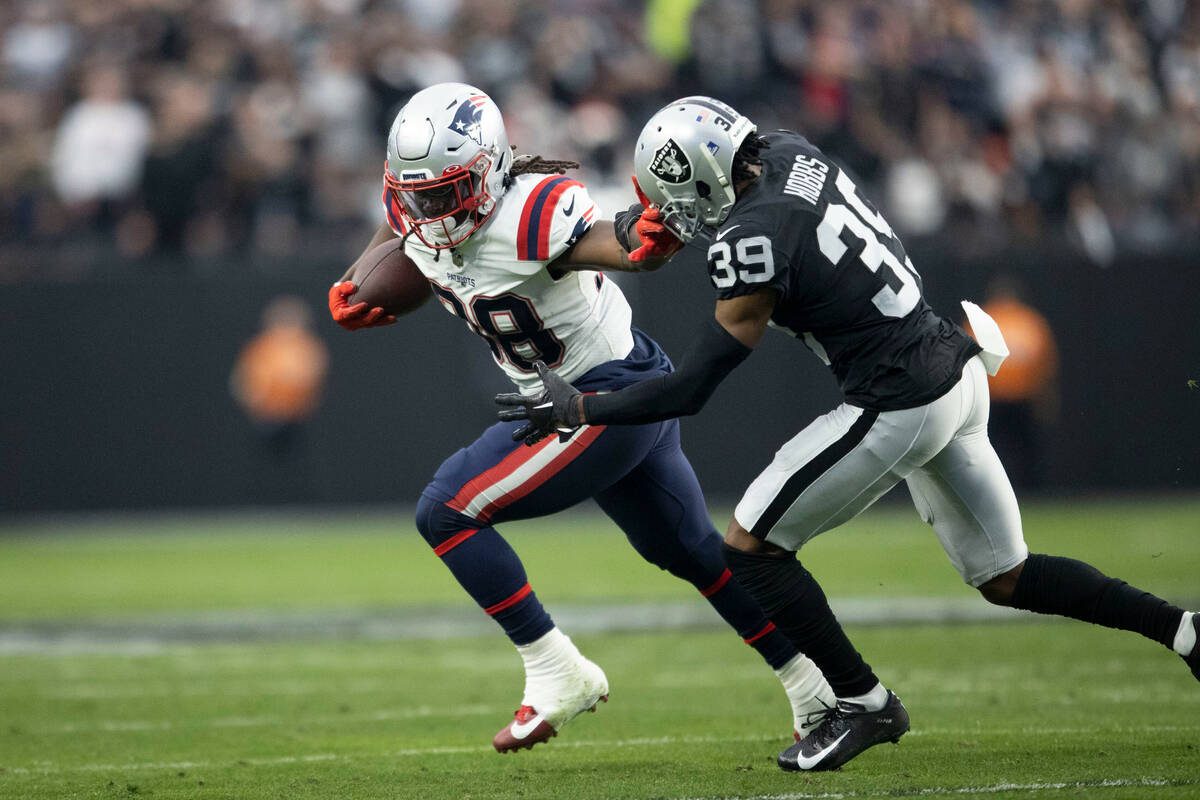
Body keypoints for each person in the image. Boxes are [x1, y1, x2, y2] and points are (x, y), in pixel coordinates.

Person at [498, 96, 1200, 771]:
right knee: (1007, 576)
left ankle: (863, 702)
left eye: (673, 198)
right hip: (955, 368)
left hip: (899, 399)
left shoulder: (750, 239)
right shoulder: (788, 152)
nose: (671, 216)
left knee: (748, 544)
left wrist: (580, 410)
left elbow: (693, 388)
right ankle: (1185, 631)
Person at [327, 83, 835, 754]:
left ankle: (555, 668)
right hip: (611, 383)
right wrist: (358, 274)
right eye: (416, 192)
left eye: (442, 194)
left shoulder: (528, 213)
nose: (427, 210)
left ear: (486, 172)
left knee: (446, 510)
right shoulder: (417, 202)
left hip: (597, 394)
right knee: (690, 552)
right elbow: (401, 223)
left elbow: (617, 244)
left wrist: (646, 235)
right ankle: (813, 686)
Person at [975, 275, 1059, 491]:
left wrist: (1044, 396)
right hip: (994, 399)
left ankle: (1031, 493)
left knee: (1025, 452)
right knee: (991, 451)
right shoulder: (987, 319)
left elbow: (1043, 363)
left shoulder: (1025, 320)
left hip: (1020, 398)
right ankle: (994, 491)